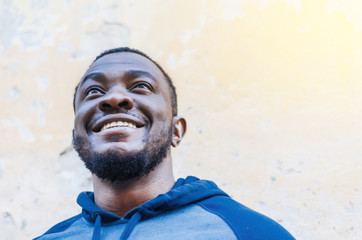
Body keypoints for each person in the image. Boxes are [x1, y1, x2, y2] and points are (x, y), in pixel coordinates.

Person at [34, 47, 295, 240]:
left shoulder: (250, 232)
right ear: (77, 132)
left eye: (140, 86)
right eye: (93, 91)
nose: (113, 98)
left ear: (176, 131)